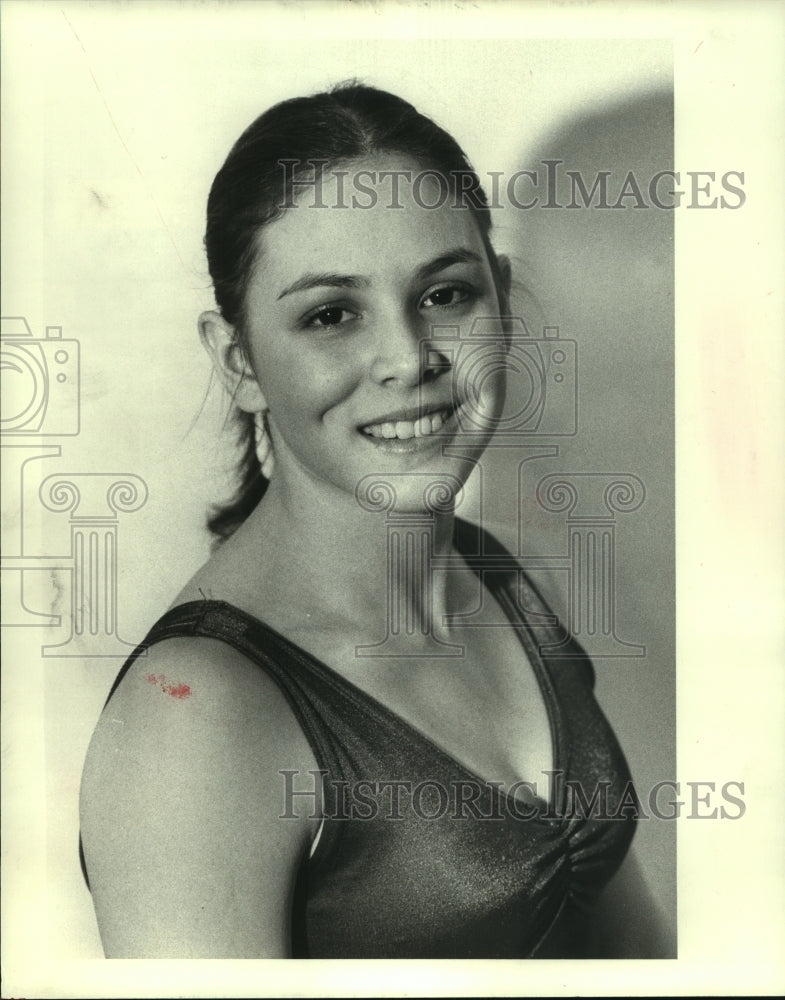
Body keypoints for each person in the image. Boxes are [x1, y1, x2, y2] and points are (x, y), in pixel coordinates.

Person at [79, 82, 665, 959]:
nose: (407, 359)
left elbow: (640, 960)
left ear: (499, 299)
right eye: (330, 315)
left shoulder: (501, 580)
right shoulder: (196, 718)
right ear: (237, 361)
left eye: (444, 296)